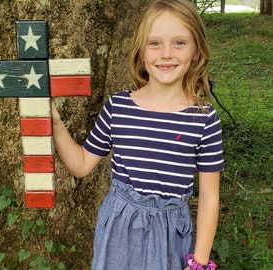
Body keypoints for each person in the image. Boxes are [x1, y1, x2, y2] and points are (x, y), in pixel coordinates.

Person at [51, 0, 224, 269]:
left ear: (196, 51)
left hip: (172, 235)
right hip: (118, 229)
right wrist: (55, 125)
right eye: (154, 43)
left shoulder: (204, 119)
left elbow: (210, 197)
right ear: (141, 52)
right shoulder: (119, 107)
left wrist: (199, 262)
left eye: (179, 42)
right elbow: (82, 165)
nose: (166, 53)